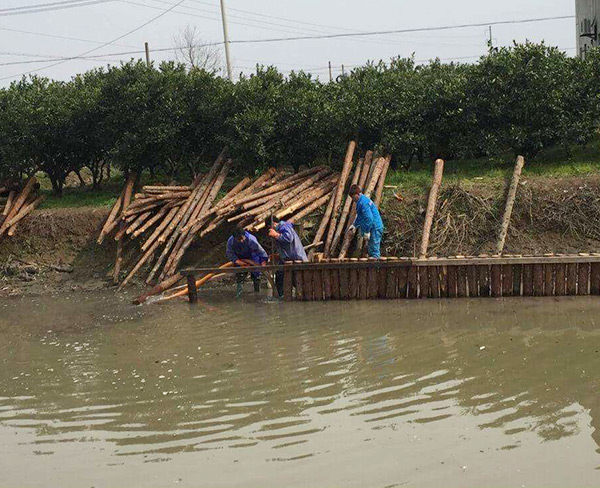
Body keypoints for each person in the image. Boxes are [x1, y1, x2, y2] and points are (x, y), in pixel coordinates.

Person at [265, 217, 308, 297]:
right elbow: (285, 248)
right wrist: (278, 256)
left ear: (273, 224)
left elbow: (289, 238)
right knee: (282, 275)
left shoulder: (284, 226)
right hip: (288, 258)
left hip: (296, 258)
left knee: (288, 276)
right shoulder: (282, 228)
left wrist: (276, 235)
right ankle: (283, 295)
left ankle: (283, 296)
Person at [226, 226, 269, 296]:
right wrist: (237, 261)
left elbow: (260, 251)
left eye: (242, 239)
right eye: (238, 239)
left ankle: (257, 293)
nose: (241, 241)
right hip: (239, 258)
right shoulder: (231, 241)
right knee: (240, 275)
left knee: (256, 275)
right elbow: (229, 253)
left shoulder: (251, 239)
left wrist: (263, 261)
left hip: (253, 257)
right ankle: (239, 294)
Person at [348, 184, 384, 259]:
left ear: (358, 194)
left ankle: (375, 268)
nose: (353, 199)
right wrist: (354, 225)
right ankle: (373, 267)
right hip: (373, 227)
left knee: (374, 251)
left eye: (353, 197)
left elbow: (369, 218)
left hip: (375, 227)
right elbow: (360, 216)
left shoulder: (363, 202)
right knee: (371, 250)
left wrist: (367, 231)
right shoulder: (361, 201)